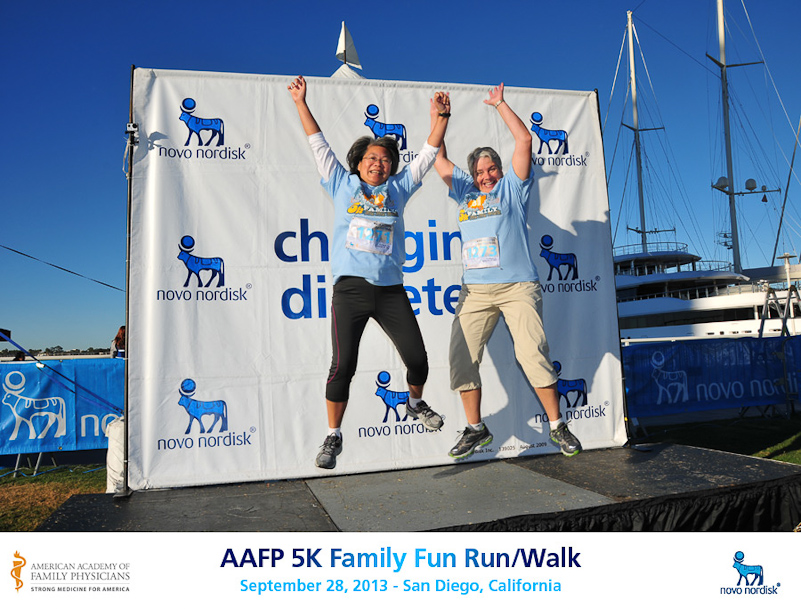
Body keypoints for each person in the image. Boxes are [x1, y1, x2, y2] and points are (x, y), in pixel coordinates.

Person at [288, 75, 451, 469]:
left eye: (385, 160)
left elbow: (428, 154)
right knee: (343, 366)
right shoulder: (340, 184)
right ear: (359, 163)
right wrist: (301, 103)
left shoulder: (399, 189)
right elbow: (317, 142)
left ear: (392, 167)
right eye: (372, 159)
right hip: (351, 291)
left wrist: (441, 119)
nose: (379, 164)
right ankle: (333, 435)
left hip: (390, 290)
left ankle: (415, 403)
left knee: (418, 361)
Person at [431, 83, 582, 460]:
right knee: (461, 357)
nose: (486, 175)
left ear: (501, 169)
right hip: (476, 291)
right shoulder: (463, 191)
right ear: (472, 175)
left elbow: (524, 140)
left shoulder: (513, 188)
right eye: (480, 171)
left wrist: (500, 104)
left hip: (517, 287)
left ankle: (557, 426)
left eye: (491, 168)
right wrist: (440, 117)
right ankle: (475, 428)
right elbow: (438, 158)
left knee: (533, 354)